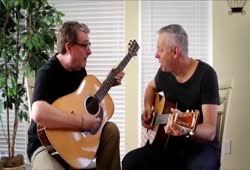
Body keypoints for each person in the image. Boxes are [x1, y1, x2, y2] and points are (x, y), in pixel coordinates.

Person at [27, 21, 124, 170]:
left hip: (74, 140)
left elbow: (84, 105)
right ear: (69, 47)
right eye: (85, 45)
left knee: (111, 130)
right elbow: (38, 112)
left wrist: (108, 82)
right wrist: (82, 122)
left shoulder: (80, 72)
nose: (90, 51)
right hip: (45, 147)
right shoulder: (47, 73)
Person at [122, 24, 221, 170]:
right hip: (168, 145)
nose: (156, 55)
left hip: (200, 148)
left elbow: (210, 130)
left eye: (160, 50)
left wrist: (187, 129)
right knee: (131, 161)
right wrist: (148, 108)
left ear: (175, 51)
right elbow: (151, 88)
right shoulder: (164, 73)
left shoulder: (206, 75)